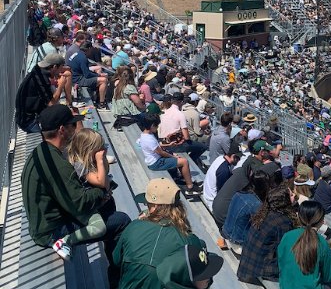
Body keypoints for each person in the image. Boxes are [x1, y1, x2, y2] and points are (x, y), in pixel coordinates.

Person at [23, 105, 126, 259]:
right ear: (62, 130)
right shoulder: (57, 164)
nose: (76, 129)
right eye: (73, 125)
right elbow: (80, 204)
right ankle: (116, 277)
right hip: (50, 231)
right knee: (122, 221)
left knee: (108, 205)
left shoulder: (41, 151)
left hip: (47, 220)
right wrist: (103, 191)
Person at [112, 179, 205, 289]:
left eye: (147, 204)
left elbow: (116, 260)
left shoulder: (133, 227)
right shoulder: (189, 240)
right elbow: (201, 285)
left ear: (154, 207)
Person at [238, 183, 296, 284]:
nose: (294, 195)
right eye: (291, 195)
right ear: (283, 202)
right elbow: (286, 250)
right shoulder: (283, 222)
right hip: (260, 270)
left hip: (247, 265)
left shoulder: (264, 212)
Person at [139, 115, 199, 198]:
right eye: (156, 126)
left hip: (154, 160)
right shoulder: (149, 139)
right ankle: (190, 187)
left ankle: (183, 179)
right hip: (156, 163)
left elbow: (158, 147)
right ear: (152, 125)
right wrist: (173, 157)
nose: (157, 128)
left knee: (177, 159)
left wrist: (168, 145)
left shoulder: (145, 135)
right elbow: (161, 153)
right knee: (184, 161)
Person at [14, 52, 69, 131]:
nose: (62, 69)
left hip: (24, 118)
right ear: (54, 67)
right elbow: (51, 104)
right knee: (65, 117)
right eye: (61, 67)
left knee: (63, 112)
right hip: (30, 122)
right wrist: (60, 86)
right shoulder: (42, 80)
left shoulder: (38, 71)